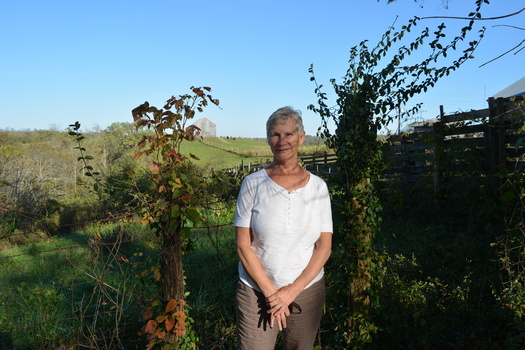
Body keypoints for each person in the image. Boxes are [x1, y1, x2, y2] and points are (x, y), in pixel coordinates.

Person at [234, 106, 333, 349]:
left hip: (306, 291)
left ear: (301, 137)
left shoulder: (318, 188)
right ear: (268, 139)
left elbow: (324, 247)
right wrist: (271, 293)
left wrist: (290, 292)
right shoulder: (252, 184)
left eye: (288, 134)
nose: (282, 141)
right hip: (255, 291)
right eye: (275, 134)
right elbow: (242, 245)